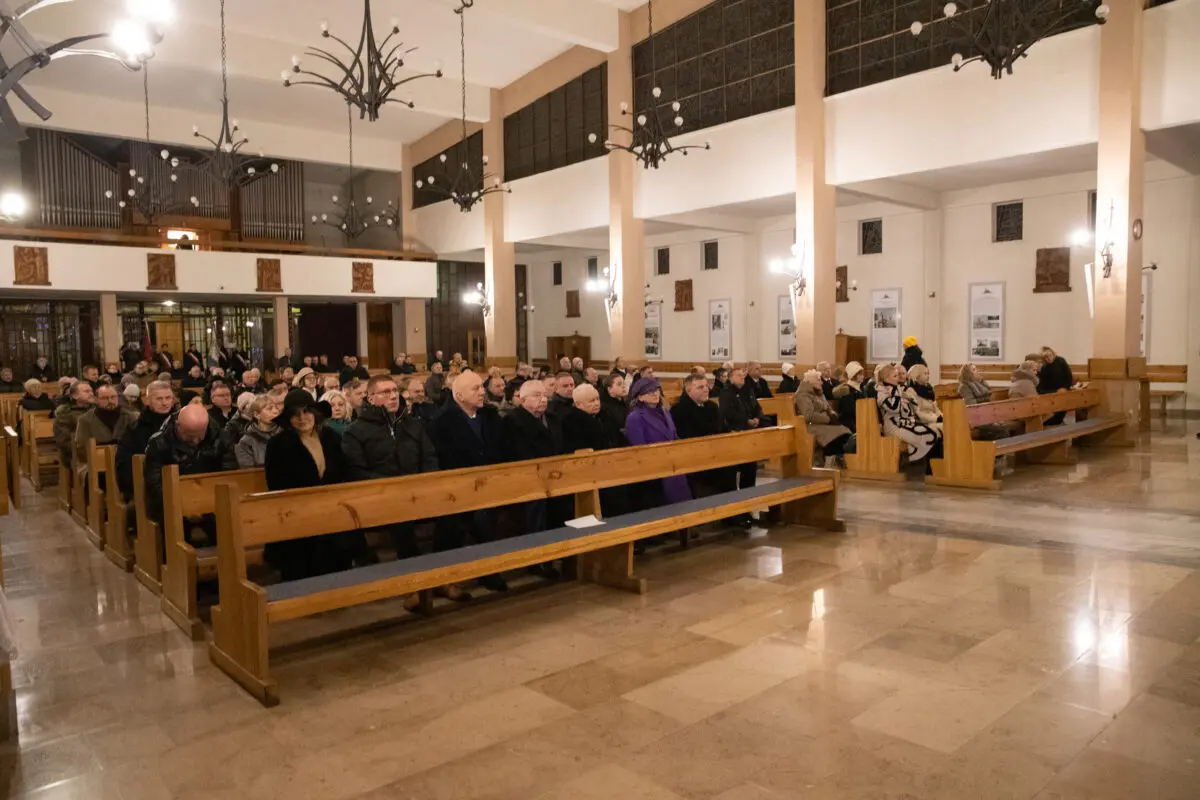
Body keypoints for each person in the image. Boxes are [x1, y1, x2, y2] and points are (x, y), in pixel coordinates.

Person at [263, 390, 363, 581]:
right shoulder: (278, 445)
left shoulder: (331, 438)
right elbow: (276, 482)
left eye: (306, 412)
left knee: (337, 564)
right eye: (295, 414)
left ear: (315, 413)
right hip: (298, 514)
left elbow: (344, 472)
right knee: (302, 570)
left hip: (332, 510)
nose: (302, 418)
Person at [426, 370, 508, 593]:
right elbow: (444, 457)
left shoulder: (490, 416)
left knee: (489, 518)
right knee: (457, 523)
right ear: (459, 396)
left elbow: (501, 448)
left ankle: (490, 571)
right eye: (476, 389)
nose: (482, 392)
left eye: (482, 387)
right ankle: (447, 577)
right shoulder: (441, 423)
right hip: (457, 488)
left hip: (490, 483)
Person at [143, 403, 224, 528]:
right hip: (171, 502)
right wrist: (185, 505)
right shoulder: (159, 443)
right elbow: (155, 485)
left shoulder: (220, 437)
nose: (195, 441)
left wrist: (207, 503)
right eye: (190, 436)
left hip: (211, 500)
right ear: (177, 425)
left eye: (200, 435)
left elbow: (229, 473)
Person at [625, 376, 691, 510]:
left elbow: (675, 437)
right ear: (640, 397)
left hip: (674, 466)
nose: (655, 394)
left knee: (684, 505)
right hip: (655, 473)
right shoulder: (635, 418)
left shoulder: (665, 412)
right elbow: (640, 449)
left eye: (656, 390)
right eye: (650, 392)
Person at [670, 373, 733, 500]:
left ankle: (731, 513)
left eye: (706, 386)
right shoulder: (679, 410)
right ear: (689, 391)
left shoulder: (712, 406)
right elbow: (687, 437)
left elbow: (723, 430)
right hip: (696, 458)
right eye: (700, 387)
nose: (706, 389)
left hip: (717, 453)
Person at [718, 368, 763, 521]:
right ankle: (736, 510)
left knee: (750, 468)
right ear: (730, 378)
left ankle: (748, 504)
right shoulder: (726, 393)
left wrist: (757, 417)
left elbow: (757, 406)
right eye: (739, 375)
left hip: (748, 434)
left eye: (743, 375)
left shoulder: (747, 390)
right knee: (734, 471)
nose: (743, 377)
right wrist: (746, 421)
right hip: (734, 435)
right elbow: (728, 413)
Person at [73, 383, 134, 489]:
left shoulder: (129, 416)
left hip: (125, 463)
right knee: (102, 477)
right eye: (105, 398)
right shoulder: (85, 420)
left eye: (113, 397)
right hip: (94, 464)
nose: (110, 401)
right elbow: (82, 448)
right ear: (97, 399)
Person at [877, 364, 941, 465]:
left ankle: (933, 467)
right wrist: (903, 398)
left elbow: (914, 405)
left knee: (934, 433)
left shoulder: (898, 389)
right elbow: (893, 407)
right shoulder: (882, 393)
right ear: (885, 378)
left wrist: (908, 398)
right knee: (930, 435)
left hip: (906, 424)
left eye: (898, 375)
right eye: (895, 376)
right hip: (894, 427)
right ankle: (928, 467)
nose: (898, 378)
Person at [794, 369, 853, 463]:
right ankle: (832, 459)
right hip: (811, 426)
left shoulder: (818, 392)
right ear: (810, 382)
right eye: (818, 380)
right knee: (837, 435)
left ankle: (838, 458)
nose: (821, 382)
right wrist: (828, 419)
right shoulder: (803, 395)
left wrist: (833, 414)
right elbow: (808, 415)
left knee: (844, 432)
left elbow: (828, 407)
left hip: (823, 423)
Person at [53, 380, 94, 468]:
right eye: (86, 391)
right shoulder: (65, 413)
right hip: (76, 455)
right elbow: (64, 440)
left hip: (97, 450)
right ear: (75, 395)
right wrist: (84, 450)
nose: (91, 394)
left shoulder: (97, 410)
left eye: (91, 391)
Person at [235, 395, 281, 468]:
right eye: (269, 409)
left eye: (276, 408)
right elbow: (249, 473)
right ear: (257, 415)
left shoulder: (288, 434)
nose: (275, 411)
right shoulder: (245, 442)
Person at [220, 391, 259, 469]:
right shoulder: (233, 424)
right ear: (243, 408)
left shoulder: (259, 421)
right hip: (242, 461)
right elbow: (230, 448)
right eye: (248, 404)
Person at [1038, 346, 1074, 426]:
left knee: (1062, 409)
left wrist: (1065, 388)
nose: (1049, 358)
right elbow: (1042, 386)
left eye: (1050, 355)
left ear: (1053, 354)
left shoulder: (1061, 361)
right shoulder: (1044, 367)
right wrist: (1054, 391)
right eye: (1046, 357)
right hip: (1051, 392)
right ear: (1043, 359)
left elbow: (1068, 376)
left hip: (1063, 390)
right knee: (1052, 413)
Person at [905, 364, 943, 432]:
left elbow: (936, 409)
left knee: (950, 424)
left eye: (928, 374)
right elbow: (918, 414)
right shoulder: (911, 391)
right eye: (925, 374)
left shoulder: (928, 390)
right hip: (920, 424)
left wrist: (943, 417)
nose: (928, 376)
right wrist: (936, 419)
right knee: (945, 428)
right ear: (917, 375)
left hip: (932, 421)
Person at [831, 361, 865, 433]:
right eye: (860, 374)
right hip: (849, 422)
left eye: (862, 374)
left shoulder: (860, 388)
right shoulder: (846, 389)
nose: (863, 376)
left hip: (860, 419)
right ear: (853, 375)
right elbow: (848, 411)